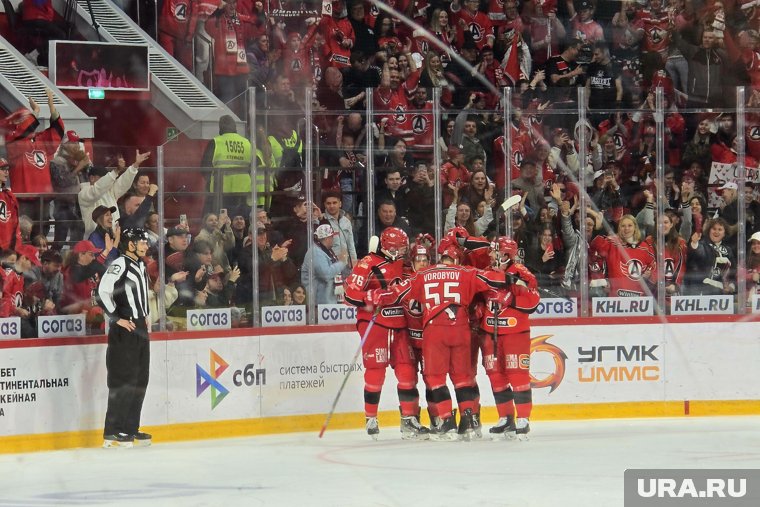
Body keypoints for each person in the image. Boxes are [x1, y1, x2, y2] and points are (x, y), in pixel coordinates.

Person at [390, 244, 511, 441]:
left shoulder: (423, 275)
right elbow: (495, 281)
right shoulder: (465, 272)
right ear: (456, 261)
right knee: (463, 377)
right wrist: (499, 268)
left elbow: (395, 293)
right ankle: (469, 420)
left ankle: (446, 422)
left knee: (435, 378)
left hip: (434, 330)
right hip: (461, 328)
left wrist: (375, 297)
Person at [344, 227, 427, 439]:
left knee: (407, 372)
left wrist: (424, 251)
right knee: (375, 370)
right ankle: (371, 416)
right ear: (386, 247)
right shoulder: (368, 263)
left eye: (402, 248)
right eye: (396, 249)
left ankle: (409, 420)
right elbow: (349, 294)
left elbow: (420, 278)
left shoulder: (405, 265)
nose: (400, 252)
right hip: (375, 322)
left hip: (400, 323)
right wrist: (372, 296)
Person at [475, 237, 540, 439]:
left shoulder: (522, 274)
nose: (491, 255)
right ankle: (505, 417)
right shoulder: (486, 273)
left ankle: (523, 418)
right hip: (490, 333)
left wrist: (511, 298)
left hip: (515, 333)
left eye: (495, 252)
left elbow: (533, 301)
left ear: (505, 254)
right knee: (495, 375)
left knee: (517, 374)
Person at [97, 228, 152, 448]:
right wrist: (116, 317)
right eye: (142, 242)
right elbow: (102, 291)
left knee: (140, 379)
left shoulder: (140, 264)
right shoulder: (120, 264)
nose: (146, 246)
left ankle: (130, 427)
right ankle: (112, 431)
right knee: (123, 380)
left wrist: (146, 315)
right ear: (130, 244)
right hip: (125, 328)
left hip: (139, 327)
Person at [78, 150, 151, 238]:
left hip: (113, 236)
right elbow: (97, 190)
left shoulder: (109, 192)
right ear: (92, 178)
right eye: (103, 178)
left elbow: (123, 183)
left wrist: (135, 165)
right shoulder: (84, 194)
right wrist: (116, 172)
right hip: (94, 240)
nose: (107, 182)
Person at [589, 214, 656, 297]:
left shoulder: (644, 247)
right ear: (619, 228)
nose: (626, 228)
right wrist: (598, 229)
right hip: (616, 296)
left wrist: (649, 273)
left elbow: (653, 265)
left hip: (639, 298)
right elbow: (595, 246)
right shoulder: (613, 243)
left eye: (630, 225)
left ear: (635, 227)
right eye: (623, 226)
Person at [200, 115, 252, 211]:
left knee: (220, 218)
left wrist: (209, 182)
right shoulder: (247, 142)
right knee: (240, 218)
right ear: (235, 128)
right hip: (243, 189)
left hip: (220, 190)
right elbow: (254, 164)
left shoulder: (216, 142)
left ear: (220, 128)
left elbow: (204, 167)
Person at [302, 224, 348, 304]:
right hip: (318, 303)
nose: (333, 239)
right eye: (332, 237)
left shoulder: (325, 250)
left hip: (326, 301)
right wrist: (341, 262)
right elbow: (326, 274)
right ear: (327, 238)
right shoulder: (315, 252)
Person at [0, 158, 22, 251]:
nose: (7, 172)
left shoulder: (9, 196)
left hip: (7, 246)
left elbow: (14, 223)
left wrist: (15, 245)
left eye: (7, 169)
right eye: (3, 169)